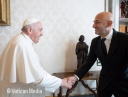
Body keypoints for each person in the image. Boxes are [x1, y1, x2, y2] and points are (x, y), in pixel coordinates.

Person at [0, 18, 73, 97]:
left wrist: (60, 80)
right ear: (29, 30)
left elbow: (35, 71)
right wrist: (62, 82)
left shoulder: (19, 40)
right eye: (40, 30)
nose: (42, 34)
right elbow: (37, 78)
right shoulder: (23, 45)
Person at [67, 12, 128, 97]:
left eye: (97, 22)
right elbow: (89, 61)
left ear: (109, 23)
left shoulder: (125, 39)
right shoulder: (95, 42)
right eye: (94, 22)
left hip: (123, 85)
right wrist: (76, 77)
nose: (93, 25)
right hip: (104, 84)